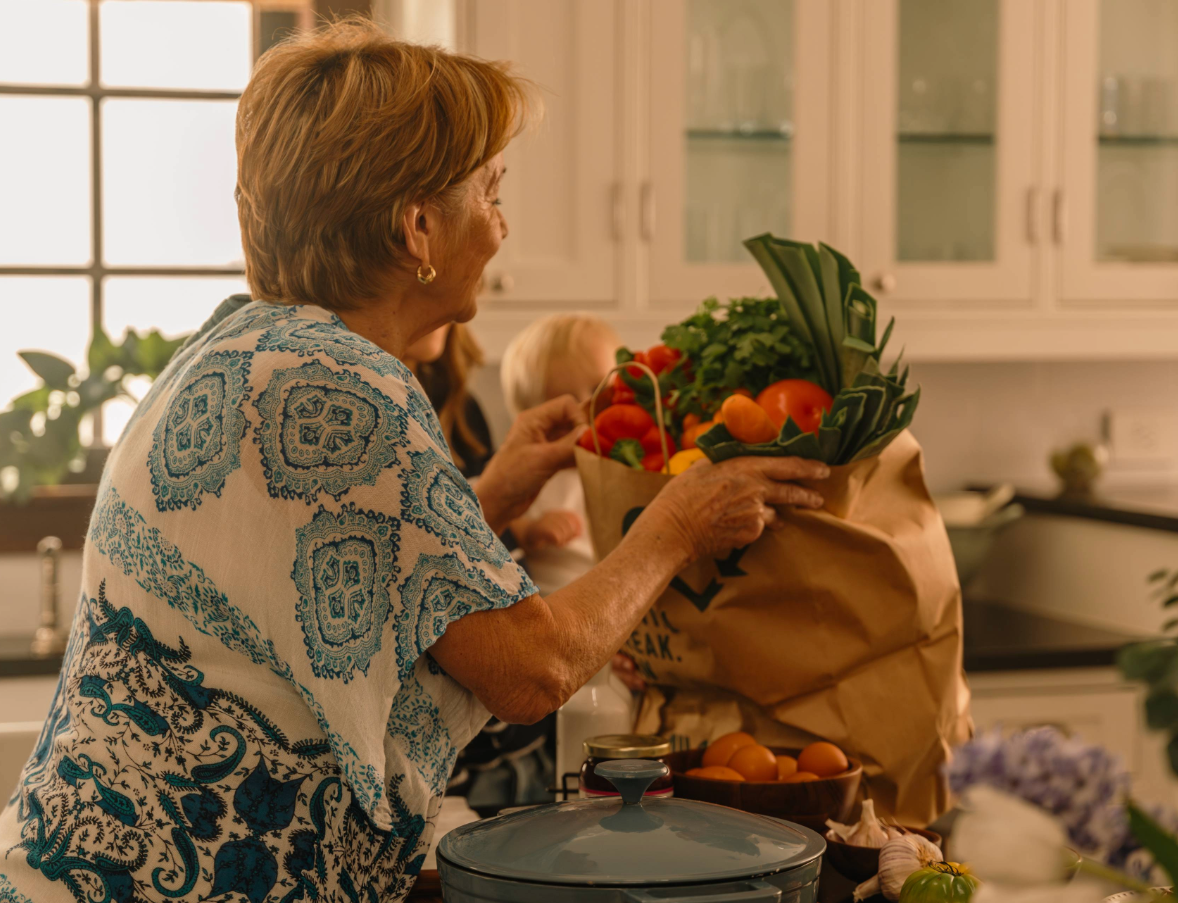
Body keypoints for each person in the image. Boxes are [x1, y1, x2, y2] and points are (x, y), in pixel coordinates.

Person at [0, 20, 828, 903]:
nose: (504, 226)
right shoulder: (347, 388)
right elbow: (529, 670)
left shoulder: (242, 350)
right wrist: (676, 526)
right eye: (492, 190)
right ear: (418, 228)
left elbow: (332, 570)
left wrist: (497, 488)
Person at [500, 313, 619, 595]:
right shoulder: (526, 475)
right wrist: (529, 532)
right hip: (555, 613)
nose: (582, 417)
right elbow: (482, 516)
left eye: (597, 392)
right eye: (561, 403)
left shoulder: (625, 469)